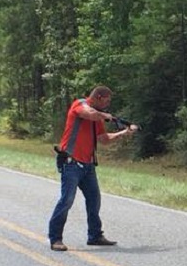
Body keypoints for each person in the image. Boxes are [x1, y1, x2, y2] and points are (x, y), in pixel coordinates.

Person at [48, 86, 137, 251]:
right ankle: (55, 239)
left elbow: (103, 139)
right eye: (107, 100)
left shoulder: (97, 118)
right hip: (71, 162)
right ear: (99, 97)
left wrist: (124, 132)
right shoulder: (79, 105)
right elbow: (88, 113)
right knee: (67, 200)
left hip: (88, 166)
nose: (108, 104)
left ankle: (95, 236)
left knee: (94, 200)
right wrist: (106, 117)